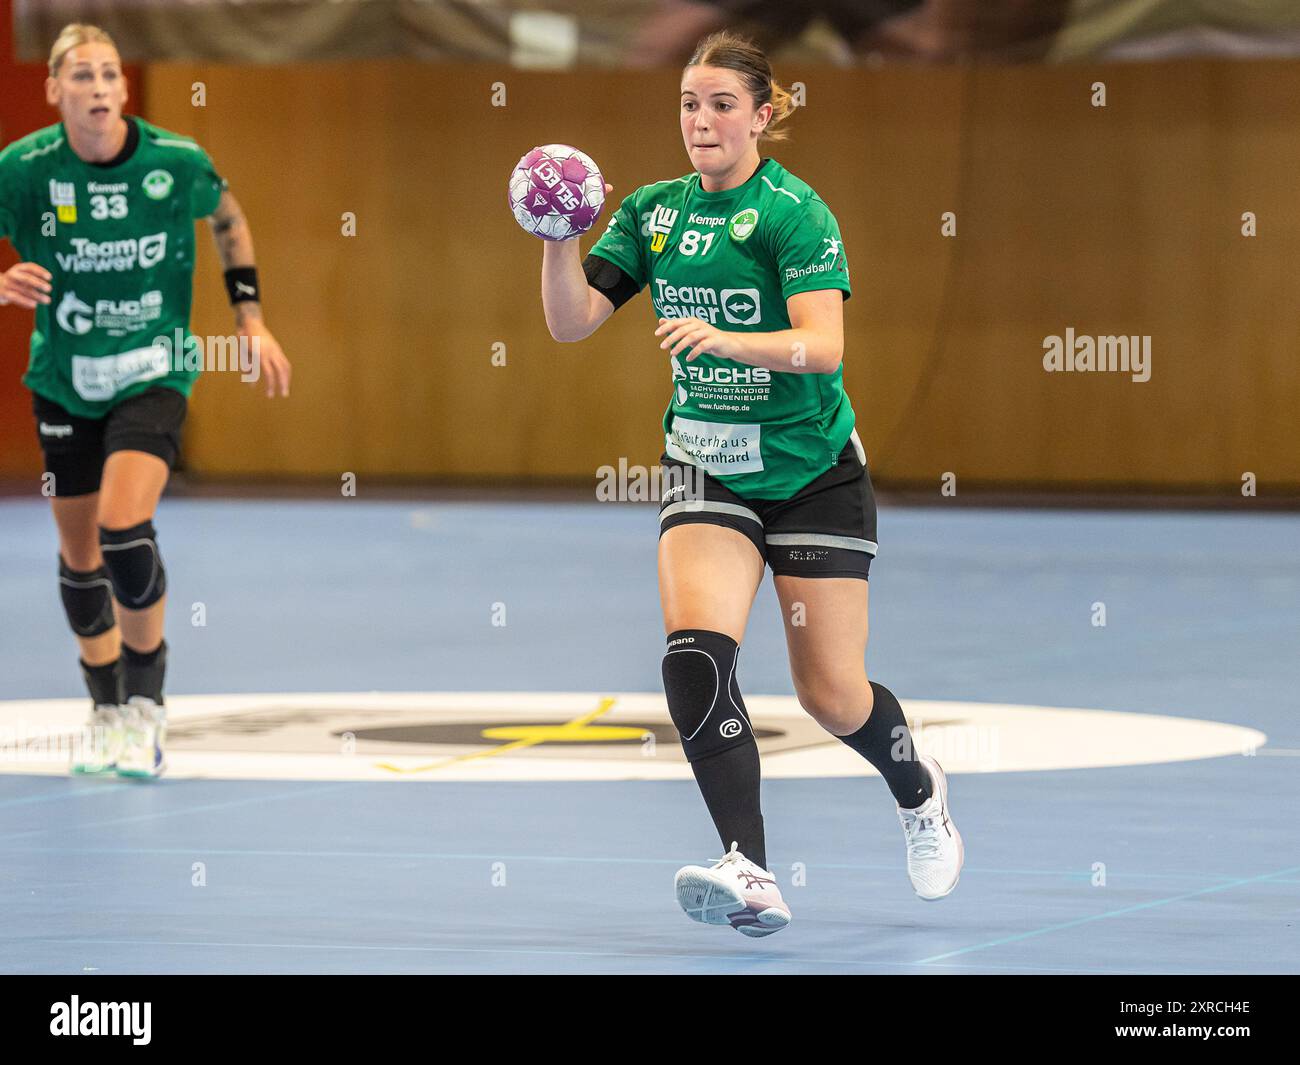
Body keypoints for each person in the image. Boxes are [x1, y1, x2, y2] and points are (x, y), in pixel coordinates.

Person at [540, 30, 962, 936]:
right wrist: (557, 240)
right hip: (707, 467)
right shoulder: (653, 212)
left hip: (812, 474)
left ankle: (919, 791)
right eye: (690, 104)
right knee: (694, 655)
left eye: (722, 105)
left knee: (832, 695)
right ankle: (752, 868)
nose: (702, 120)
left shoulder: (793, 214)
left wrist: (725, 338)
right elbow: (572, 323)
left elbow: (824, 345)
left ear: (763, 117)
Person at [0, 23, 291, 778]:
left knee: (123, 523)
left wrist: (250, 319)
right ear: (54, 89)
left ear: (125, 90)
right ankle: (103, 711)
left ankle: (145, 705)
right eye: (81, 76)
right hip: (64, 378)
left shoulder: (175, 161)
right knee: (78, 556)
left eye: (108, 75)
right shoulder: (25, 170)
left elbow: (228, 219)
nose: (98, 87)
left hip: (154, 369)